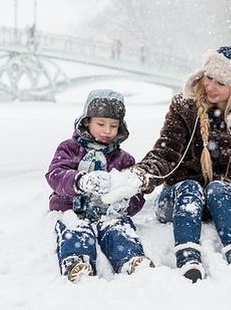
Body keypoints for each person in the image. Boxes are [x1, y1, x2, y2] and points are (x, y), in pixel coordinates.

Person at [109, 46, 231, 283]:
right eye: (208, 77)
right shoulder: (184, 106)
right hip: (178, 198)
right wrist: (140, 176)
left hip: (222, 200)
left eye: (220, 82)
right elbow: (165, 153)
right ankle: (188, 258)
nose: (210, 86)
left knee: (219, 188)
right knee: (190, 187)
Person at [45, 89, 154, 282]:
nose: (107, 131)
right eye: (101, 124)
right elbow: (55, 175)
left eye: (113, 126)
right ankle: (77, 261)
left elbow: (135, 191)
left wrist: (126, 203)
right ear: (87, 121)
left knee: (119, 228)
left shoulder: (124, 159)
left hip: (107, 213)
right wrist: (80, 181)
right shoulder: (69, 148)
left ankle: (131, 259)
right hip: (71, 209)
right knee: (75, 229)